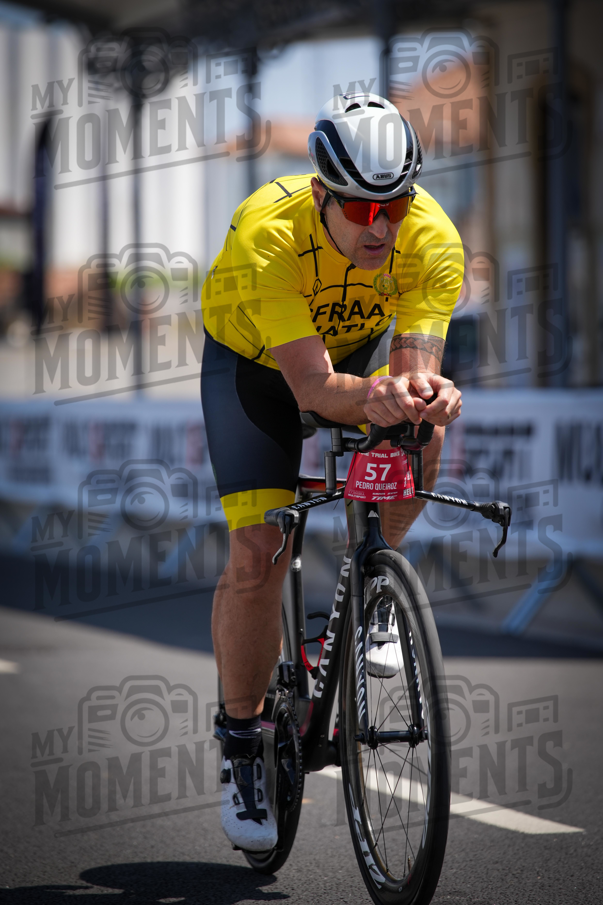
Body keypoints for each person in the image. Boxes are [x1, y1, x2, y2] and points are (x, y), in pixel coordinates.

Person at [201, 93, 463, 851]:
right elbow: (311, 391)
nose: (378, 226)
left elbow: (408, 376)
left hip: (347, 356)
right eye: (358, 208)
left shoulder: (431, 240)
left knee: (414, 418)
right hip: (254, 369)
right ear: (322, 194)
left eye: (394, 205)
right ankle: (244, 741)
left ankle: (379, 585)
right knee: (258, 552)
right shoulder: (266, 236)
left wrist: (423, 392)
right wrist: (376, 392)